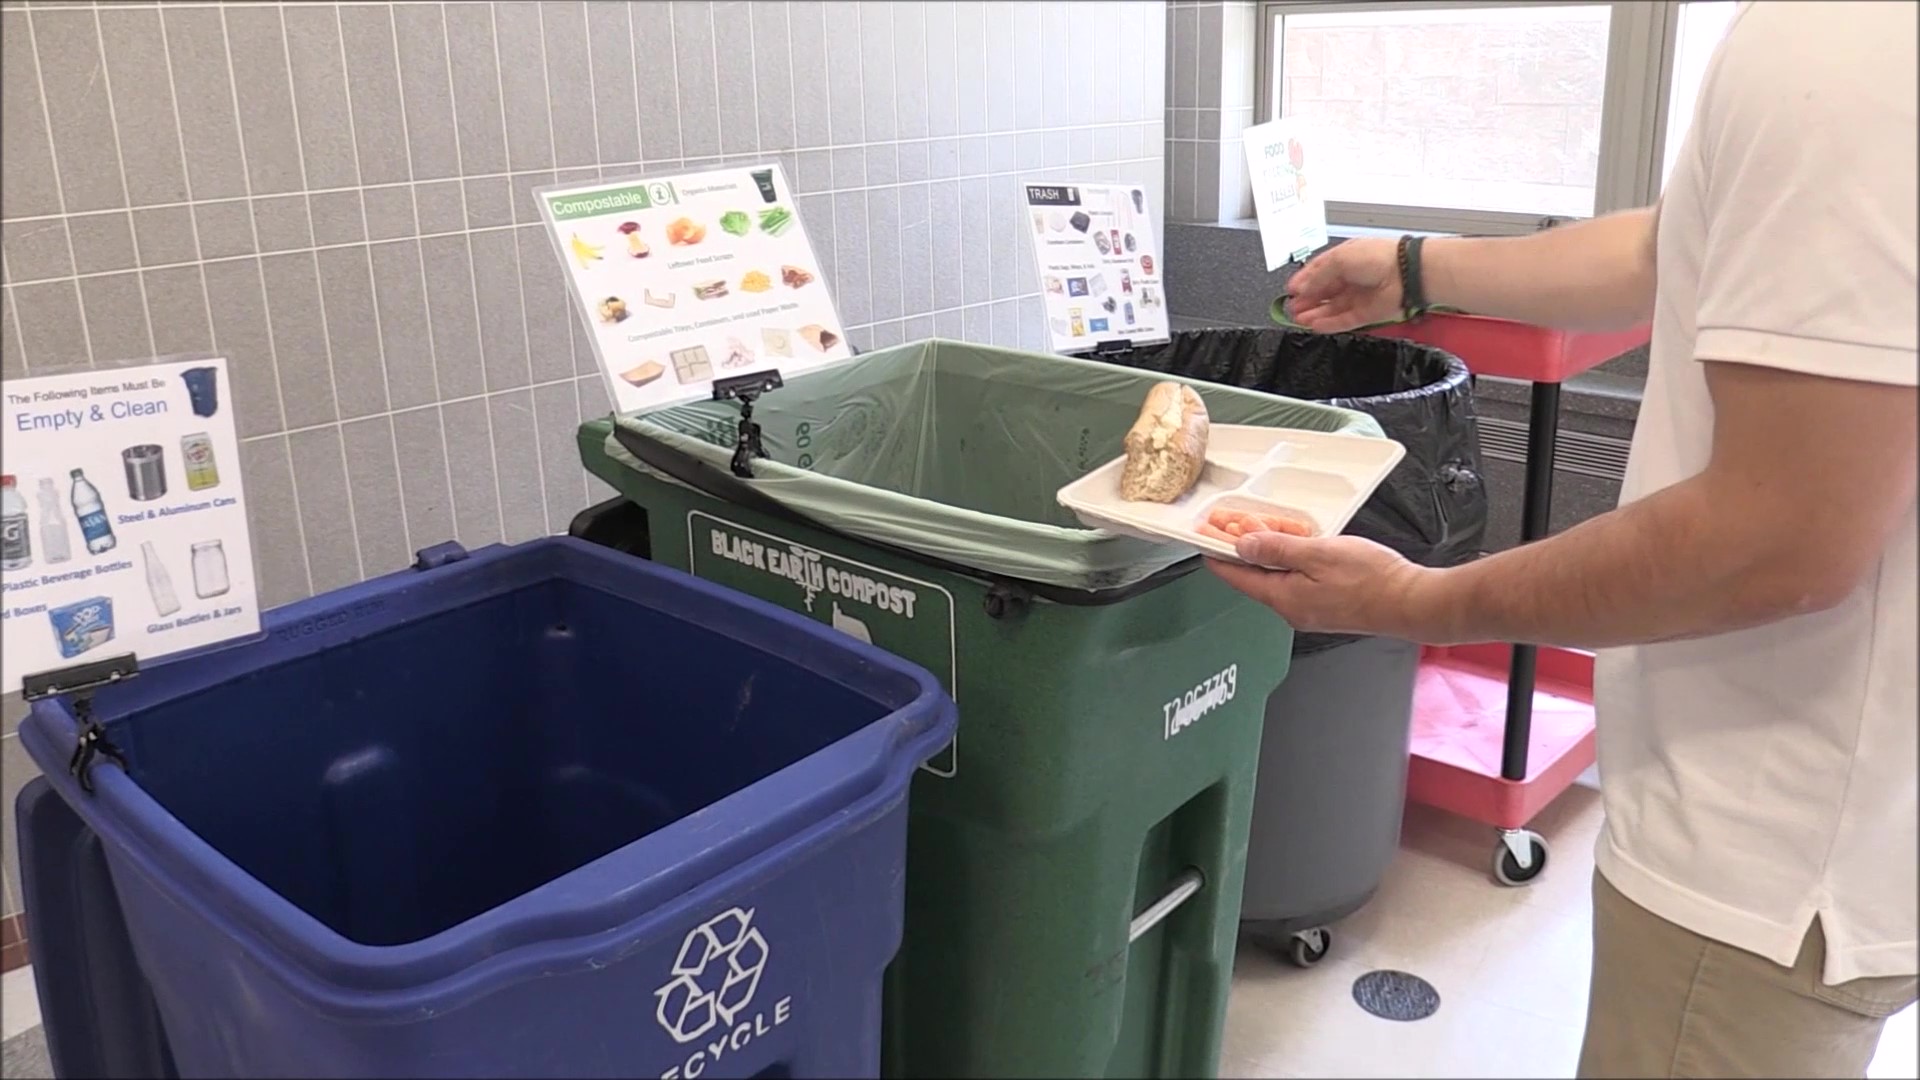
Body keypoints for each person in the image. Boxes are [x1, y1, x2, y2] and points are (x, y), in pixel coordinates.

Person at [1212, 3, 1917, 1077]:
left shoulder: (1843, 42)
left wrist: (1409, 604)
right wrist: (1413, 267)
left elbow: (1776, 539)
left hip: (1773, 851)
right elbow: (1672, 240)